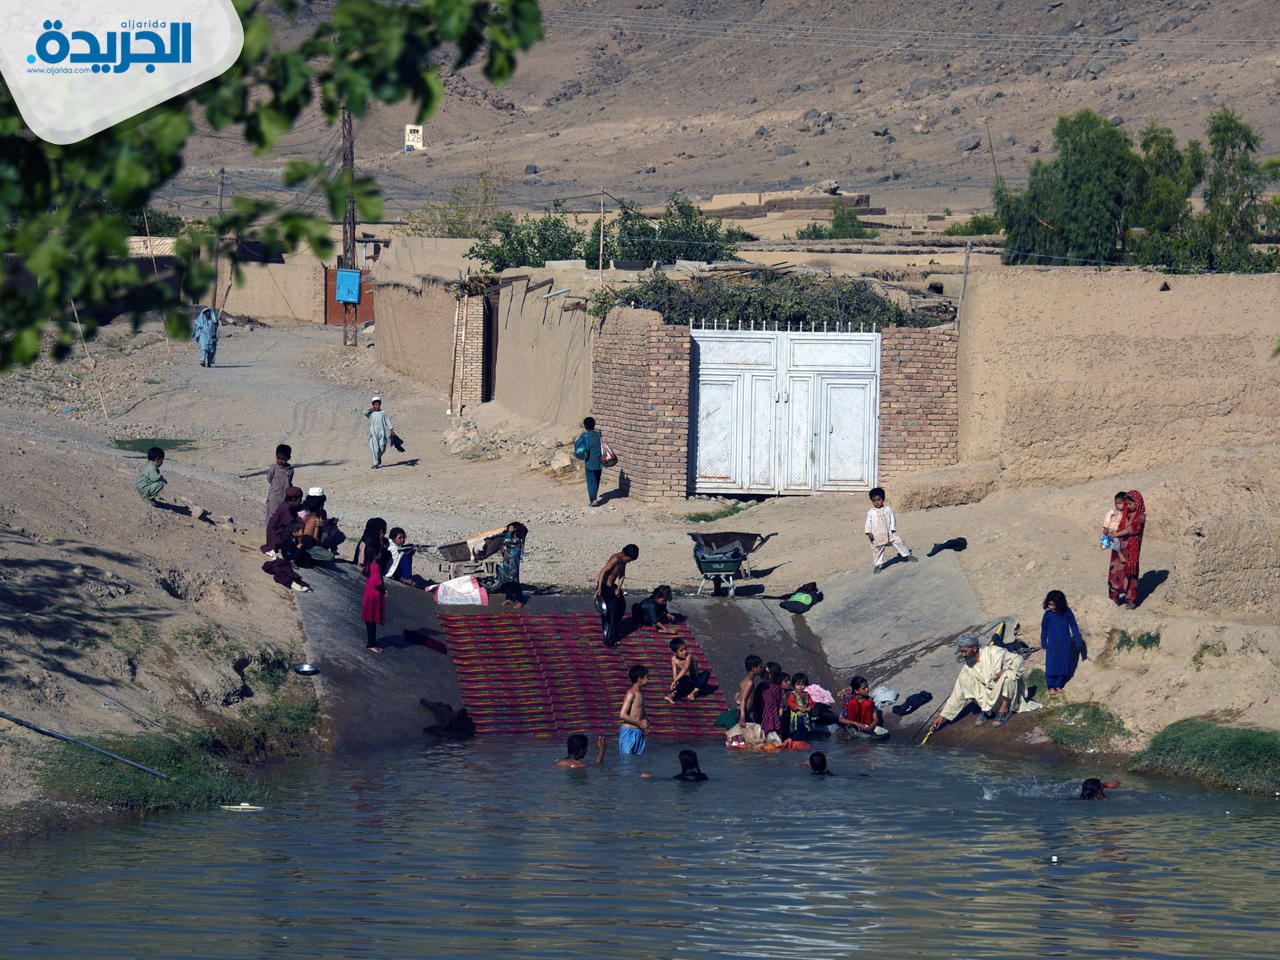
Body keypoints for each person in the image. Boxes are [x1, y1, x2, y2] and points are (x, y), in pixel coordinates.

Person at [930, 634, 1034, 731]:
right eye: (961, 651)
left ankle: (1004, 710)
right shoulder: (968, 668)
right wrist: (942, 717)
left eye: (965, 651)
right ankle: (987, 711)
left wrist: (1008, 669)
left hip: (1005, 693)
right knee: (964, 680)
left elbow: (1018, 659)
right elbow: (957, 695)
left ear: (974, 649)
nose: (962, 655)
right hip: (988, 697)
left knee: (1009, 675)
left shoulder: (994, 652)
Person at [1041, 590, 1085, 694]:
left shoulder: (1067, 613)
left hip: (1065, 644)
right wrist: (1043, 643)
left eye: (1053, 605)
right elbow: (1044, 629)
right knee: (1051, 665)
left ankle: (1059, 685)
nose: (1051, 607)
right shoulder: (1048, 615)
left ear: (1060, 604)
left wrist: (1078, 642)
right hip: (1052, 645)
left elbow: (1074, 626)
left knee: (1063, 664)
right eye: (1049, 604)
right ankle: (1051, 686)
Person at [865, 486, 918, 574]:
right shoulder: (871, 512)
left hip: (889, 534)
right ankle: (877, 566)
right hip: (877, 536)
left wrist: (893, 529)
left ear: (883, 499)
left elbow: (892, 520)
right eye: (874, 501)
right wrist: (869, 533)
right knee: (877, 551)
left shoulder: (888, 509)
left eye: (878, 500)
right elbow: (868, 524)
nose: (877, 502)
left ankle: (907, 555)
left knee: (899, 542)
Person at [1108, 490, 1146, 609]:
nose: (1128, 506)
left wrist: (1116, 535)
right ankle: (1114, 597)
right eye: (1127, 504)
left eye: (1130, 504)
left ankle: (1131, 600)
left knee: (1130, 573)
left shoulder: (1140, 517)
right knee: (1115, 572)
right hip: (1118, 548)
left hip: (1131, 551)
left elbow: (1132, 529)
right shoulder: (1124, 514)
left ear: (1138, 503)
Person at [595, 544, 638, 646]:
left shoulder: (624, 561)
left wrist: (618, 588)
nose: (630, 561)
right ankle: (608, 639)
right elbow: (603, 572)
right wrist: (599, 588)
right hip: (605, 587)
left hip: (613, 587)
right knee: (611, 614)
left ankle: (612, 631)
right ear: (625, 555)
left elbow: (622, 575)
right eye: (630, 559)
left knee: (621, 606)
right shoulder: (616, 559)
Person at [665, 638, 712, 703]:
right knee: (684, 680)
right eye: (681, 650)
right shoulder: (673, 659)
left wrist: (675, 680)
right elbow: (675, 673)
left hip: (695, 679)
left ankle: (693, 693)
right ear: (675, 653)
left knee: (706, 673)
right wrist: (675, 682)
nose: (685, 652)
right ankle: (671, 696)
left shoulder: (689, 656)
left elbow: (685, 668)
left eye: (685, 649)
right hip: (686, 681)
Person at [618, 664, 650, 755]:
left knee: (637, 762)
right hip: (628, 732)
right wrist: (639, 723)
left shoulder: (641, 693)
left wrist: (645, 720)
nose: (649, 680)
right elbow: (622, 714)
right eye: (647, 677)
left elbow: (640, 712)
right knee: (627, 762)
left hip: (639, 732)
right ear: (640, 679)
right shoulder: (631, 694)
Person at [362, 545, 388, 654]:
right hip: (374, 598)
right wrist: (384, 589)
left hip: (368, 597)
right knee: (372, 622)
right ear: (376, 555)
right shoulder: (375, 566)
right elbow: (378, 583)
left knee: (369, 621)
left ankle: (372, 642)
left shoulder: (368, 566)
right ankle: (371, 644)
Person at [263, 486, 303, 557]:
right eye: (300, 499)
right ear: (294, 499)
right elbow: (290, 523)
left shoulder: (287, 505)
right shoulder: (285, 508)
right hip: (275, 534)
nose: (300, 501)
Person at [497, 521, 528, 608]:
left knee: (514, 581)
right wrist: (503, 552)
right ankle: (509, 598)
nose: (508, 529)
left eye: (510, 527)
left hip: (513, 563)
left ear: (515, 529)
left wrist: (507, 534)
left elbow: (506, 541)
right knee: (506, 580)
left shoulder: (518, 539)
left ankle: (520, 601)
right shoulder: (511, 537)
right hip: (507, 561)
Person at [364, 396, 398, 469]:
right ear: (373, 405)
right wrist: (371, 409)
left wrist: (391, 429)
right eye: (376, 405)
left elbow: (387, 420)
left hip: (383, 433)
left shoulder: (383, 412)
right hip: (374, 433)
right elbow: (364, 412)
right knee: (375, 448)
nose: (377, 406)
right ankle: (375, 463)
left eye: (378, 404)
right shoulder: (370, 413)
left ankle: (379, 457)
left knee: (382, 448)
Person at [578, 416, 604, 506]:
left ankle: (593, 500)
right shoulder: (598, 435)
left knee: (591, 481)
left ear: (585, 426)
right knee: (596, 480)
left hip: (589, 462)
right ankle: (595, 498)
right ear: (594, 425)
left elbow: (578, 446)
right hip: (599, 462)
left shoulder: (585, 436)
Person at [265, 444, 293, 526]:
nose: (280, 461)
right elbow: (269, 478)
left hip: (284, 496)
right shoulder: (274, 468)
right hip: (274, 496)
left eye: (283, 459)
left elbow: (289, 480)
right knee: (272, 515)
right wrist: (275, 486)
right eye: (278, 458)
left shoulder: (290, 469)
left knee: (282, 514)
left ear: (288, 458)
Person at [759, 662, 785, 738]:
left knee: (775, 726)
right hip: (763, 711)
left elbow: (780, 699)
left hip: (774, 711)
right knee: (764, 728)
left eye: (769, 673)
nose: (767, 675)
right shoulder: (761, 686)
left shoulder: (777, 687)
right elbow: (757, 700)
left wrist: (780, 708)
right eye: (766, 673)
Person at [787, 672, 814, 738]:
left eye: (802, 685)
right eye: (798, 685)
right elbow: (791, 703)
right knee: (796, 729)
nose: (800, 687)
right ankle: (796, 740)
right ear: (794, 685)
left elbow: (811, 703)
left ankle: (804, 741)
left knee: (805, 728)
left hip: (805, 716)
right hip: (796, 716)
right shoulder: (793, 694)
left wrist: (809, 708)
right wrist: (798, 707)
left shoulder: (807, 694)